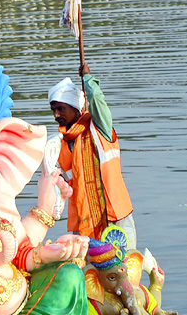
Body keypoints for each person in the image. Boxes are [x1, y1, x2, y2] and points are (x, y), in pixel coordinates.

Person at [48, 62, 136, 247]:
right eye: (53, 110)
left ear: (75, 107)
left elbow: (96, 98)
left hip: (115, 218)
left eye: (60, 108)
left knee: (125, 272)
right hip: (83, 224)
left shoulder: (100, 128)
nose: (56, 115)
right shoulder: (59, 145)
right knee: (88, 276)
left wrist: (88, 78)